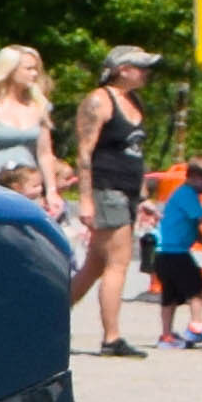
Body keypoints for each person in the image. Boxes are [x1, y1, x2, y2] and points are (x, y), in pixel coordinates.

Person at [70, 47, 159, 355]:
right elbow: (84, 152)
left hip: (130, 188)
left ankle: (46, 318)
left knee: (95, 264)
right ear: (123, 69)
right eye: (141, 67)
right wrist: (85, 200)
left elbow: (136, 153)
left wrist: (144, 195)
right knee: (117, 262)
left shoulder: (135, 101)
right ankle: (112, 337)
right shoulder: (99, 100)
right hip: (107, 187)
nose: (146, 73)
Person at [0, 46, 57, 215]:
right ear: (10, 70)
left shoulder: (39, 106)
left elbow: (45, 154)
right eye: (29, 69)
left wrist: (51, 191)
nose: (35, 74)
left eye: (36, 69)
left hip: (28, 189)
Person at [147, 165, 202, 350]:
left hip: (164, 254)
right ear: (195, 176)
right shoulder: (187, 194)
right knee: (197, 288)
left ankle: (166, 336)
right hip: (176, 254)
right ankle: (196, 326)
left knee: (169, 296)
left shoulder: (182, 195)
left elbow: (192, 231)